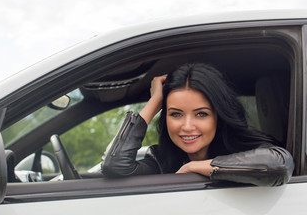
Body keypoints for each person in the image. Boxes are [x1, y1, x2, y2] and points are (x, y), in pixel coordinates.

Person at [101, 63, 294, 186]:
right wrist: (154, 102)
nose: (186, 126)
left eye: (201, 114)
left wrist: (194, 167)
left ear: (218, 116)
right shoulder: (161, 160)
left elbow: (279, 165)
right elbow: (114, 165)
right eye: (175, 114)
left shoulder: (247, 149)